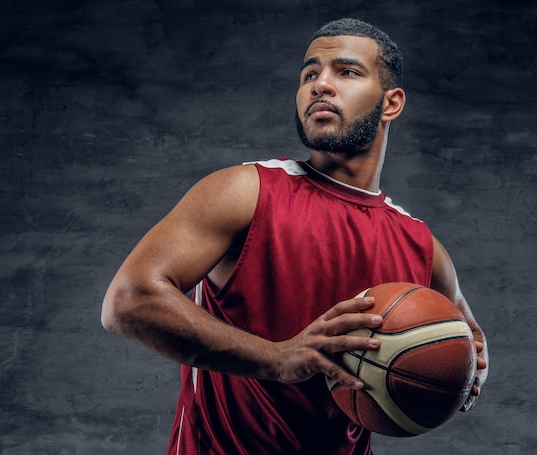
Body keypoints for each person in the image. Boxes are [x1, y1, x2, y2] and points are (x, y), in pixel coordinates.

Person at [101, 18, 489, 455]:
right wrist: (278, 358)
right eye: (310, 74)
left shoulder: (421, 245)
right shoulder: (246, 191)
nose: (320, 84)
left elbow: (466, 334)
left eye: (346, 72)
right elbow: (128, 301)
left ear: (391, 103)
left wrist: (466, 365)